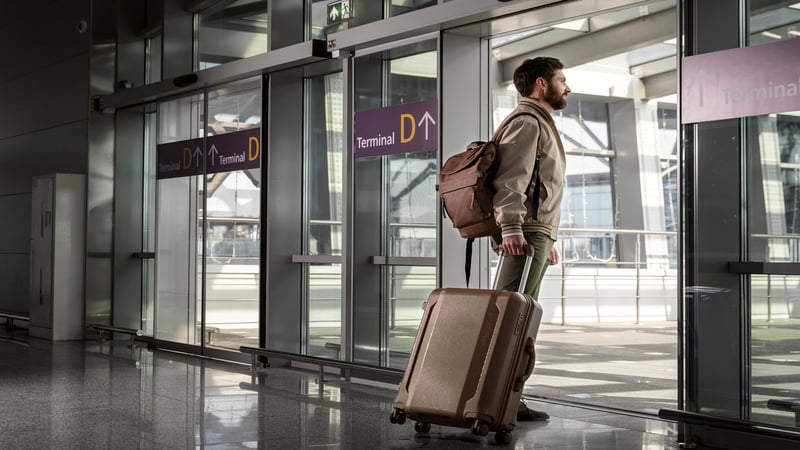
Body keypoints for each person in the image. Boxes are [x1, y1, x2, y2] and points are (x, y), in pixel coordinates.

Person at [491, 57, 570, 421]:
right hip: (526, 233)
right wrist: (512, 227)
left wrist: (547, 239)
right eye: (561, 80)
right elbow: (512, 180)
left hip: (536, 234)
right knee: (510, 318)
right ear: (541, 84)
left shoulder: (539, 123)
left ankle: (504, 397)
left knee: (519, 316)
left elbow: (542, 186)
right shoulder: (527, 123)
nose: (567, 87)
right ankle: (493, 399)